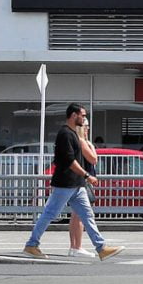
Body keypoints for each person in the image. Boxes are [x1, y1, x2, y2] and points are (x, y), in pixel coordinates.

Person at [23, 104, 124, 261]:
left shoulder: (74, 134)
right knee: (50, 213)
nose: (84, 119)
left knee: (87, 215)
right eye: (82, 116)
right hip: (65, 182)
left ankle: (101, 248)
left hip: (76, 184)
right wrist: (87, 176)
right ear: (73, 115)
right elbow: (70, 161)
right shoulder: (65, 134)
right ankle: (31, 244)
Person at [68, 120, 98, 257]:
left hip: (78, 180)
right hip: (83, 181)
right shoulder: (82, 141)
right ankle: (77, 246)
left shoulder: (76, 141)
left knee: (76, 215)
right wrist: (91, 145)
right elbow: (93, 159)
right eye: (86, 127)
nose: (88, 129)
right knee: (81, 215)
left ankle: (74, 246)